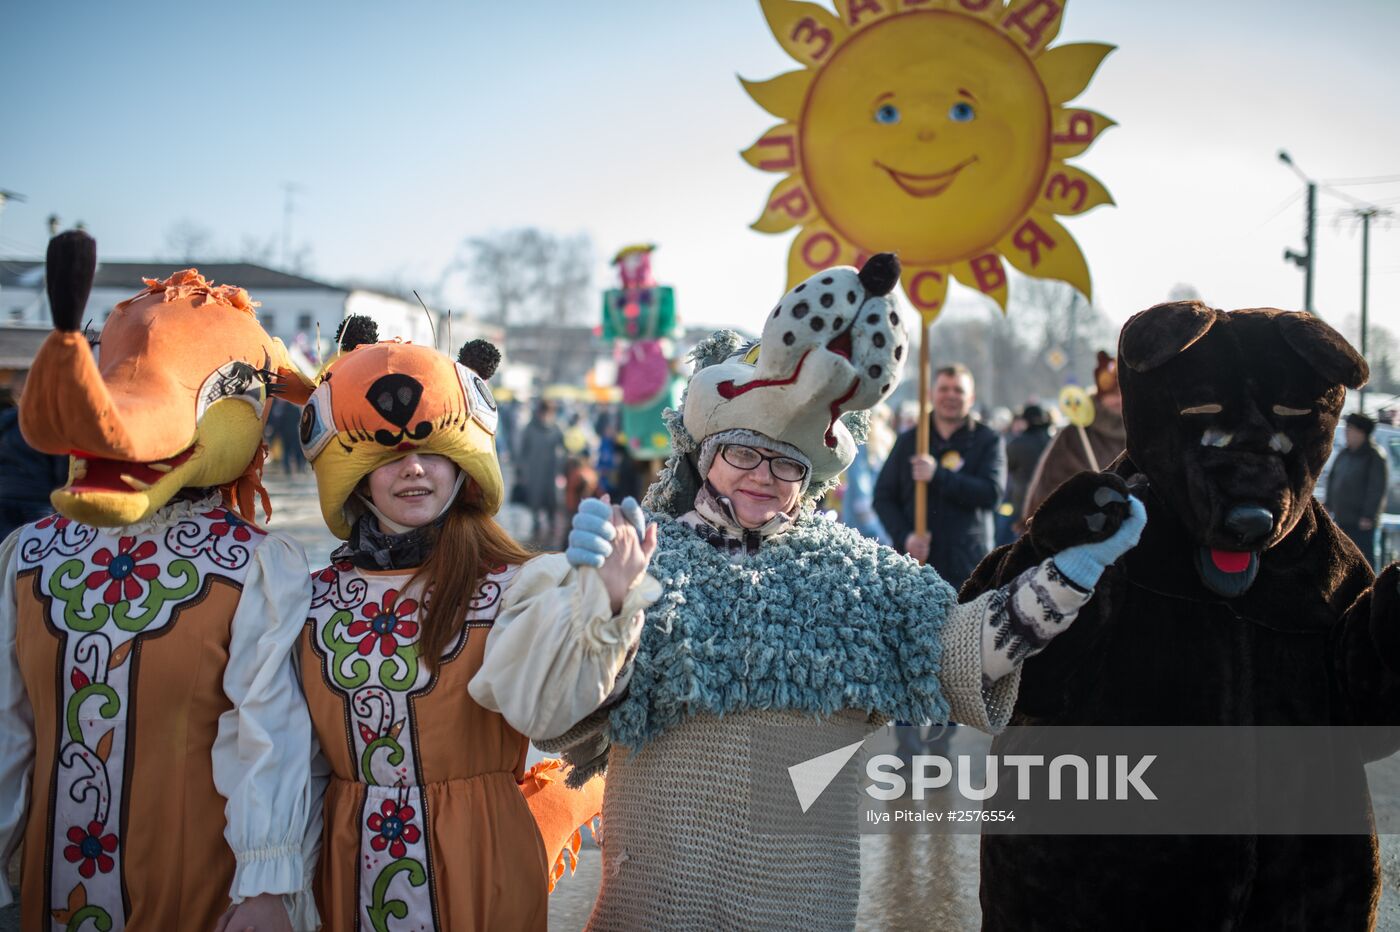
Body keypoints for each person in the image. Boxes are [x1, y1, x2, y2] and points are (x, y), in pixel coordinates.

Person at [472, 255, 1146, 930]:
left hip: (800, 905)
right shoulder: (643, 552)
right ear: (706, 457)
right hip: (655, 903)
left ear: (811, 476)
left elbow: (962, 655)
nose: (762, 475)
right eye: (742, 453)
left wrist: (1066, 574)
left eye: (786, 463)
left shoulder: (863, 575)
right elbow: (553, 713)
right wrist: (605, 602)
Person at [1, 234, 316, 930]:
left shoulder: (260, 567)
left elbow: (269, 736)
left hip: (198, 890)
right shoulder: (27, 557)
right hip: (46, 887)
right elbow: (7, 726)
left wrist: (266, 883)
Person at [295, 321, 622, 930]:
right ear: (355, 472)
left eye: (433, 453)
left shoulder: (517, 585)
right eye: (389, 455)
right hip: (348, 859)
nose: (413, 469)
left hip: (481, 855)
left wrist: (609, 614)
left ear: (464, 465)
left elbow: (563, 719)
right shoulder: (308, 599)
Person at [873, 363, 1007, 589]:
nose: (951, 396)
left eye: (958, 390)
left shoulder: (988, 440)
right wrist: (906, 537)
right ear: (931, 394)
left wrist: (939, 475)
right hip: (917, 565)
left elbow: (992, 493)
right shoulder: (910, 441)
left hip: (969, 567)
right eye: (944, 389)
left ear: (971, 397)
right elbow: (883, 497)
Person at [1023, 350, 1126, 519]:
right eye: (1111, 395)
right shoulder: (1075, 435)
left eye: (1122, 393)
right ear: (1100, 396)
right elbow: (1050, 490)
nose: (1118, 400)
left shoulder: (1145, 431)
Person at [0, 383, 68, 539]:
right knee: (35, 552)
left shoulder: (6, 422)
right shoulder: (50, 426)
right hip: (38, 499)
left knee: (5, 554)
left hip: (5, 495)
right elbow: (61, 469)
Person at [1326, 411, 1389, 568]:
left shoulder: (1374, 456)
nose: (1346, 432)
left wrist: (1369, 515)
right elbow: (1332, 479)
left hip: (1361, 523)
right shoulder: (1344, 454)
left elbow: (1376, 489)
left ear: (1361, 433)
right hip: (1342, 519)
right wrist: (1328, 504)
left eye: (1350, 429)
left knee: (1364, 561)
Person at [517, 399, 566, 543]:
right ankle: (536, 524)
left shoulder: (556, 429)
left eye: (550, 413)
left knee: (552, 499)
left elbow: (563, 449)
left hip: (551, 472)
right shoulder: (530, 429)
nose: (547, 416)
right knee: (535, 499)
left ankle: (551, 525)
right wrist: (521, 472)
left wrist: (561, 468)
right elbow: (523, 451)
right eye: (545, 413)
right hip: (534, 472)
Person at [1005, 402, 1054, 535]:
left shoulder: (1017, 444)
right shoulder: (1055, 441)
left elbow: (1008, 467)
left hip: (1024, 504)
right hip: (1052, 502)